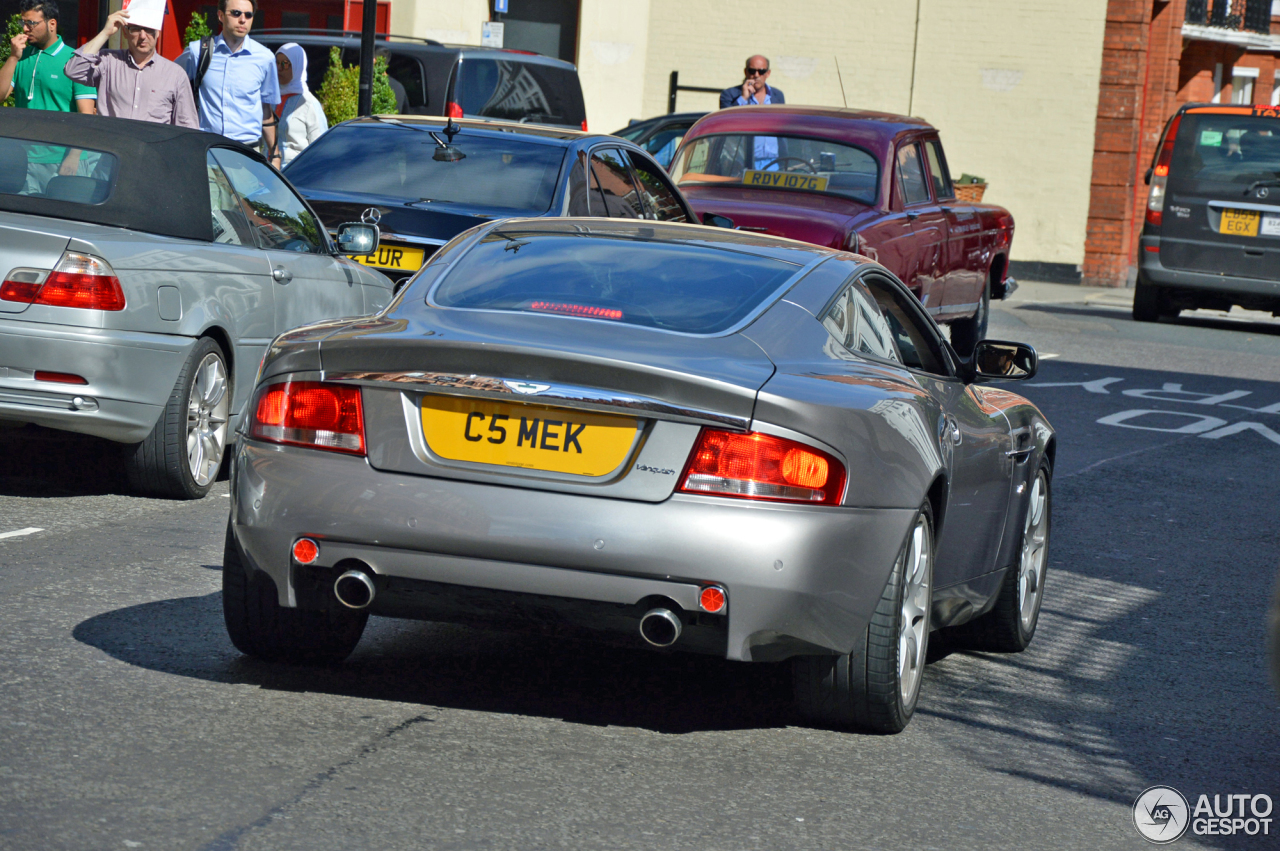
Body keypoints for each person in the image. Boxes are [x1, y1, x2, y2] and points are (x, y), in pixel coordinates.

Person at [0, 0, 98, 193]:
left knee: (63, 220)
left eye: (32, 23)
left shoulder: (75, 61)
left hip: (62, 159)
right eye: (23, 23)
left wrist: (74, 156)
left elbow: (86, 116)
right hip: (23, 160)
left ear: (52, 24)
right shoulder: (22, 56)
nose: (25, 29)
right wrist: (12, 57)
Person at [177, 0, 279, 160]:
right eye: (236, 13)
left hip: (247, 156)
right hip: (207, 153)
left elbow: (266, 111)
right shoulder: (198, 52)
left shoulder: (265, 58)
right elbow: (169, 83)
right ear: (220, 15)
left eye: (248, 15)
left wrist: (275, 155)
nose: (243, 19)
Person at [65, 9, 198, 128]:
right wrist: (105, 33)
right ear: (125, 32)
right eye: (136, 29)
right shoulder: (108, 61)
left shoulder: (175, 74)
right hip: (112, 151)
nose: (143, 36)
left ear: (158, 33)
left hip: (154, 153)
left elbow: (187, 126)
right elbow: (73, 70)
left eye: (149, 29)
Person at [273, 43, 327, 166]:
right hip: (266, 173)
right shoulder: (271, 98)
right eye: (277, 63)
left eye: (285, 63)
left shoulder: (309, 103)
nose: (279, 68)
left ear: (298, 66)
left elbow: (320, 149)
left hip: (294, 173)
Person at [719, 55, 785, 109]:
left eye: (761, 71)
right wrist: (743, 98)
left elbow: (782, 121)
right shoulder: (729, 95)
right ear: (745, 72)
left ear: (768, 73)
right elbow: (727, 120)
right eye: (752, 71)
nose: (756, 75)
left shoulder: (778, 95)